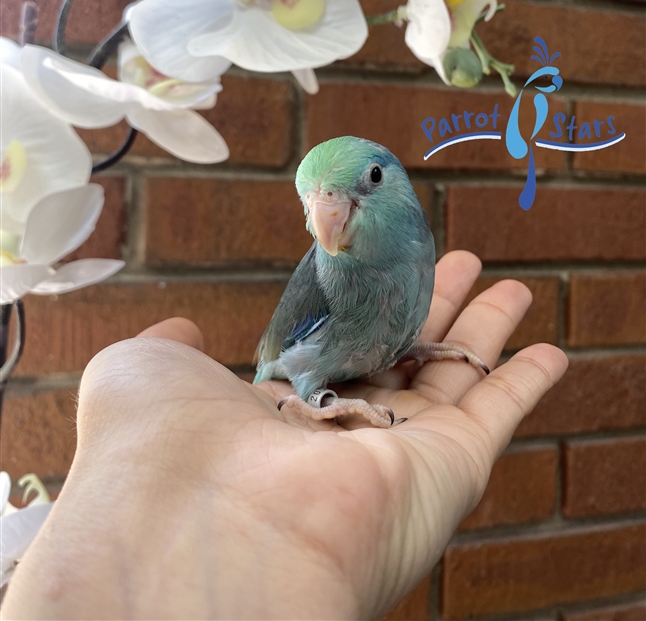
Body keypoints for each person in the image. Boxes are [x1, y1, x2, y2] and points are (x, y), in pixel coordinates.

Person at [3, 251, 567, 620]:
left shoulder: (411, 257)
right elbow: (287, 357)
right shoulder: (324, 271)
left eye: (369, 182)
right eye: (312, 198)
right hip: (298, 373)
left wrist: (402, 346)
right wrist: (317, 401)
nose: (327, 215)